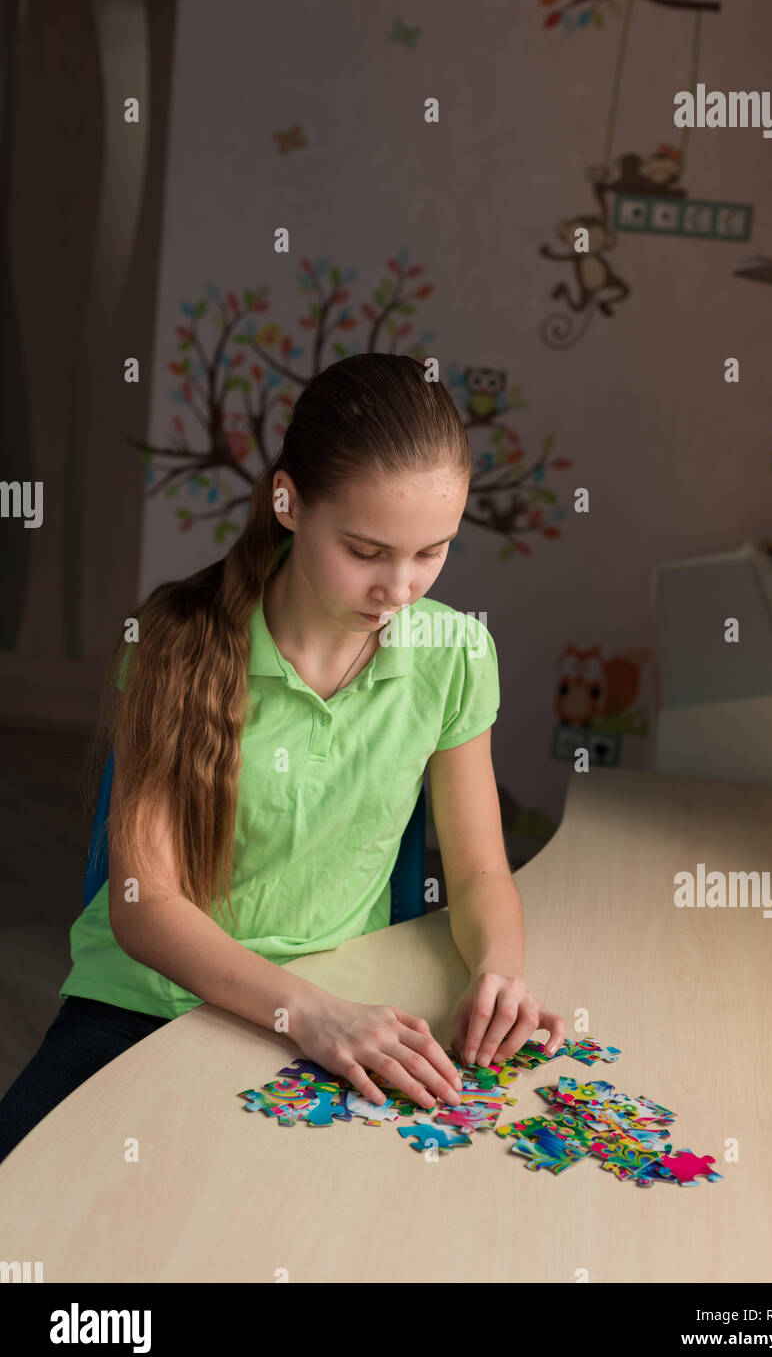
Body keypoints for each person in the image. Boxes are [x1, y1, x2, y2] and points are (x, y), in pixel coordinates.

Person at [0, 353, 565, 1164]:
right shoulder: (173, 644)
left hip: (347, 1002)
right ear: (288, 501)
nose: (400, 589)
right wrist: (308, 1013)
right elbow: (143, 904)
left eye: (432, 552)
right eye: (367, 551)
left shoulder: (456, 653)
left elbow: (477, 872)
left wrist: (500, 971)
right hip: (153, 1005)